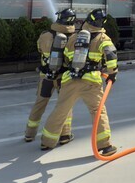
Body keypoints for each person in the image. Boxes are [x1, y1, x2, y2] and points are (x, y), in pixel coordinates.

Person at [39, 8, 119, 156]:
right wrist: (112, 74)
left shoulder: (74, 37)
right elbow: (111, 56)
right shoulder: (103, 38)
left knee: (61, 109)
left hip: (70, 79)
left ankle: (47, 142)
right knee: (98, 111)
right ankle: (104, 146)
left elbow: (66, 57)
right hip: (91, 81)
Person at [24, 8, 76, 145]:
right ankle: (65, 135)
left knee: (40, 104)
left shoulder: (45, 35)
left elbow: (39, 49)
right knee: (64, 105)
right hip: (63, 77)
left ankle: (29, 134)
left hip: (46, 76)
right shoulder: (73, 38)